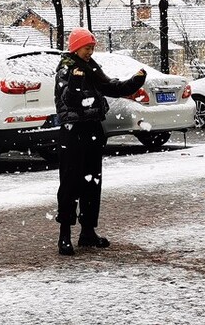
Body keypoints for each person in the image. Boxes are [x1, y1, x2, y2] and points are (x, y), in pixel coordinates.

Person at [53, 27, 146, 256]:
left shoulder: (90, 66)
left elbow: (108, 86)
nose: (90, 51)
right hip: (73, 131)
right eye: (87, 47)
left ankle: (87, 232)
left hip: (93, 128)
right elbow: (69, 100)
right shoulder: (67, 68)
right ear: (76, 47)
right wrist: (75, 84)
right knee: (70, 182)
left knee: (92, 181)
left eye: (92, 48)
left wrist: (133, 83)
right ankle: (64, 235)